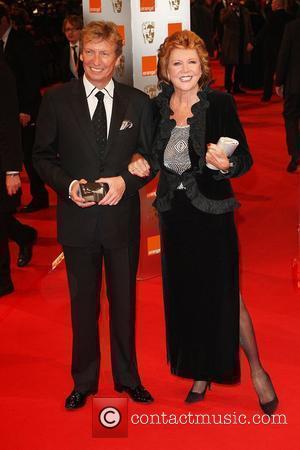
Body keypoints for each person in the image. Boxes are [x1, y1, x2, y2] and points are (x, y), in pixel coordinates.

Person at [129, 30, 278, 415]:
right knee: (187, 297)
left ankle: (258, 371)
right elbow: (146, 154)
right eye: (176, 62)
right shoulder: (156, 107)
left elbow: (244, 158)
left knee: (227, 296)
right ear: (164, 68)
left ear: (202, 67)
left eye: (191, 62)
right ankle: (200, 372)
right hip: (174, 218)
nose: (184, 69)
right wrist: (136, 161)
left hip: (212, 215)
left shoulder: (220, 104)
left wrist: (228, 165)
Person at [33, 21, 154, 409]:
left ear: (118, 60)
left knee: (124, 303)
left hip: (121, 222)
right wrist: (67, 186)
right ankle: (83, 381)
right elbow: (41, 156)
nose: (96, 60)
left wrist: (126, 181)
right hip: (78, 222)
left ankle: (127, 377)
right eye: (90, 51)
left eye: (105, 53)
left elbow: (148, 159)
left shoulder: (137, 102)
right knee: (83, 306)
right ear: (79, 53)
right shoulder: (55, 100)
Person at [0, 2, 49, 213]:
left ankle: (40, 195)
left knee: (29, 156)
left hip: (25, 110)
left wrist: (27, 109)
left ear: (5, 20)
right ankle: (14, 198)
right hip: (9, 112)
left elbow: (31, 77)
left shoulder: (22, 41)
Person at [0, 56, 37, 296]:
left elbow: (8, 123)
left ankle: (3, 283)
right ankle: (24, 235)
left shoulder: (2, 71)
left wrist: (13, 169)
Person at [275, 16, 300, 172]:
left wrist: (279, 81)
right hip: (294, 84)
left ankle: (295, 157)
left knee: (291, 119)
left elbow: (284, 55)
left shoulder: (292, 27)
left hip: (295, 84)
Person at [255, 0, 292, 102]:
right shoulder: (289, 17)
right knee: (286, 71)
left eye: (273, 3)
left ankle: (267, 95)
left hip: (271, 48)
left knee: (268, 71)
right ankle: (286, 93)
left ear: (277, 5)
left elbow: (264, 31)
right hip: (284, 47)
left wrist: (254, 43)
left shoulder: (271, 17)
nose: (271, 5)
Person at [221, 0, 254, 94]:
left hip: (243, 42)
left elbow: (249, 27)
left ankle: (236, 86)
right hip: (231, 44)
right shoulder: (225, 11)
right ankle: (228, 87)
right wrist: (231, 10)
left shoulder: (245, 11)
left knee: (240, 66)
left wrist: (251, 41)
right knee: (229, 67)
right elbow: (222, 20)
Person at [59, 15, 84, 82]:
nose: (70, 32)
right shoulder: (63, 51)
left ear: (81, 30)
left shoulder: (87, 48)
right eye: (67, 29)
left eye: (74, 29)